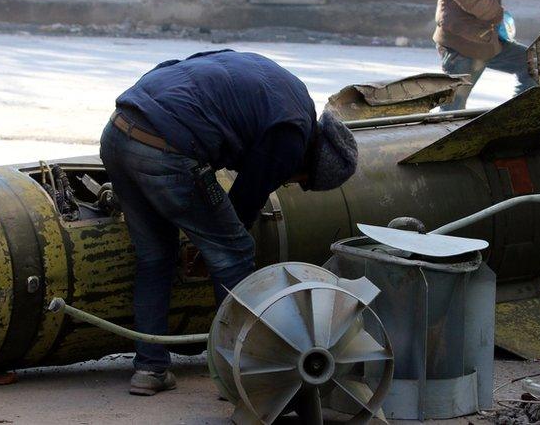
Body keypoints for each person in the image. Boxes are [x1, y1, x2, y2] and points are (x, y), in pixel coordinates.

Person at [99, 49, 358, 396]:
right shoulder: (291, 137)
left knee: (156, 256)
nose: (287, 182)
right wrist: (212, 248)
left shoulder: (285, 90)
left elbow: (176, 68)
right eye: (299, 181)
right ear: (310, 163)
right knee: (235, 253)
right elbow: (245, 200)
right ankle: (239, 375)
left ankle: (150, 368)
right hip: (168, 149)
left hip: (119, 130)